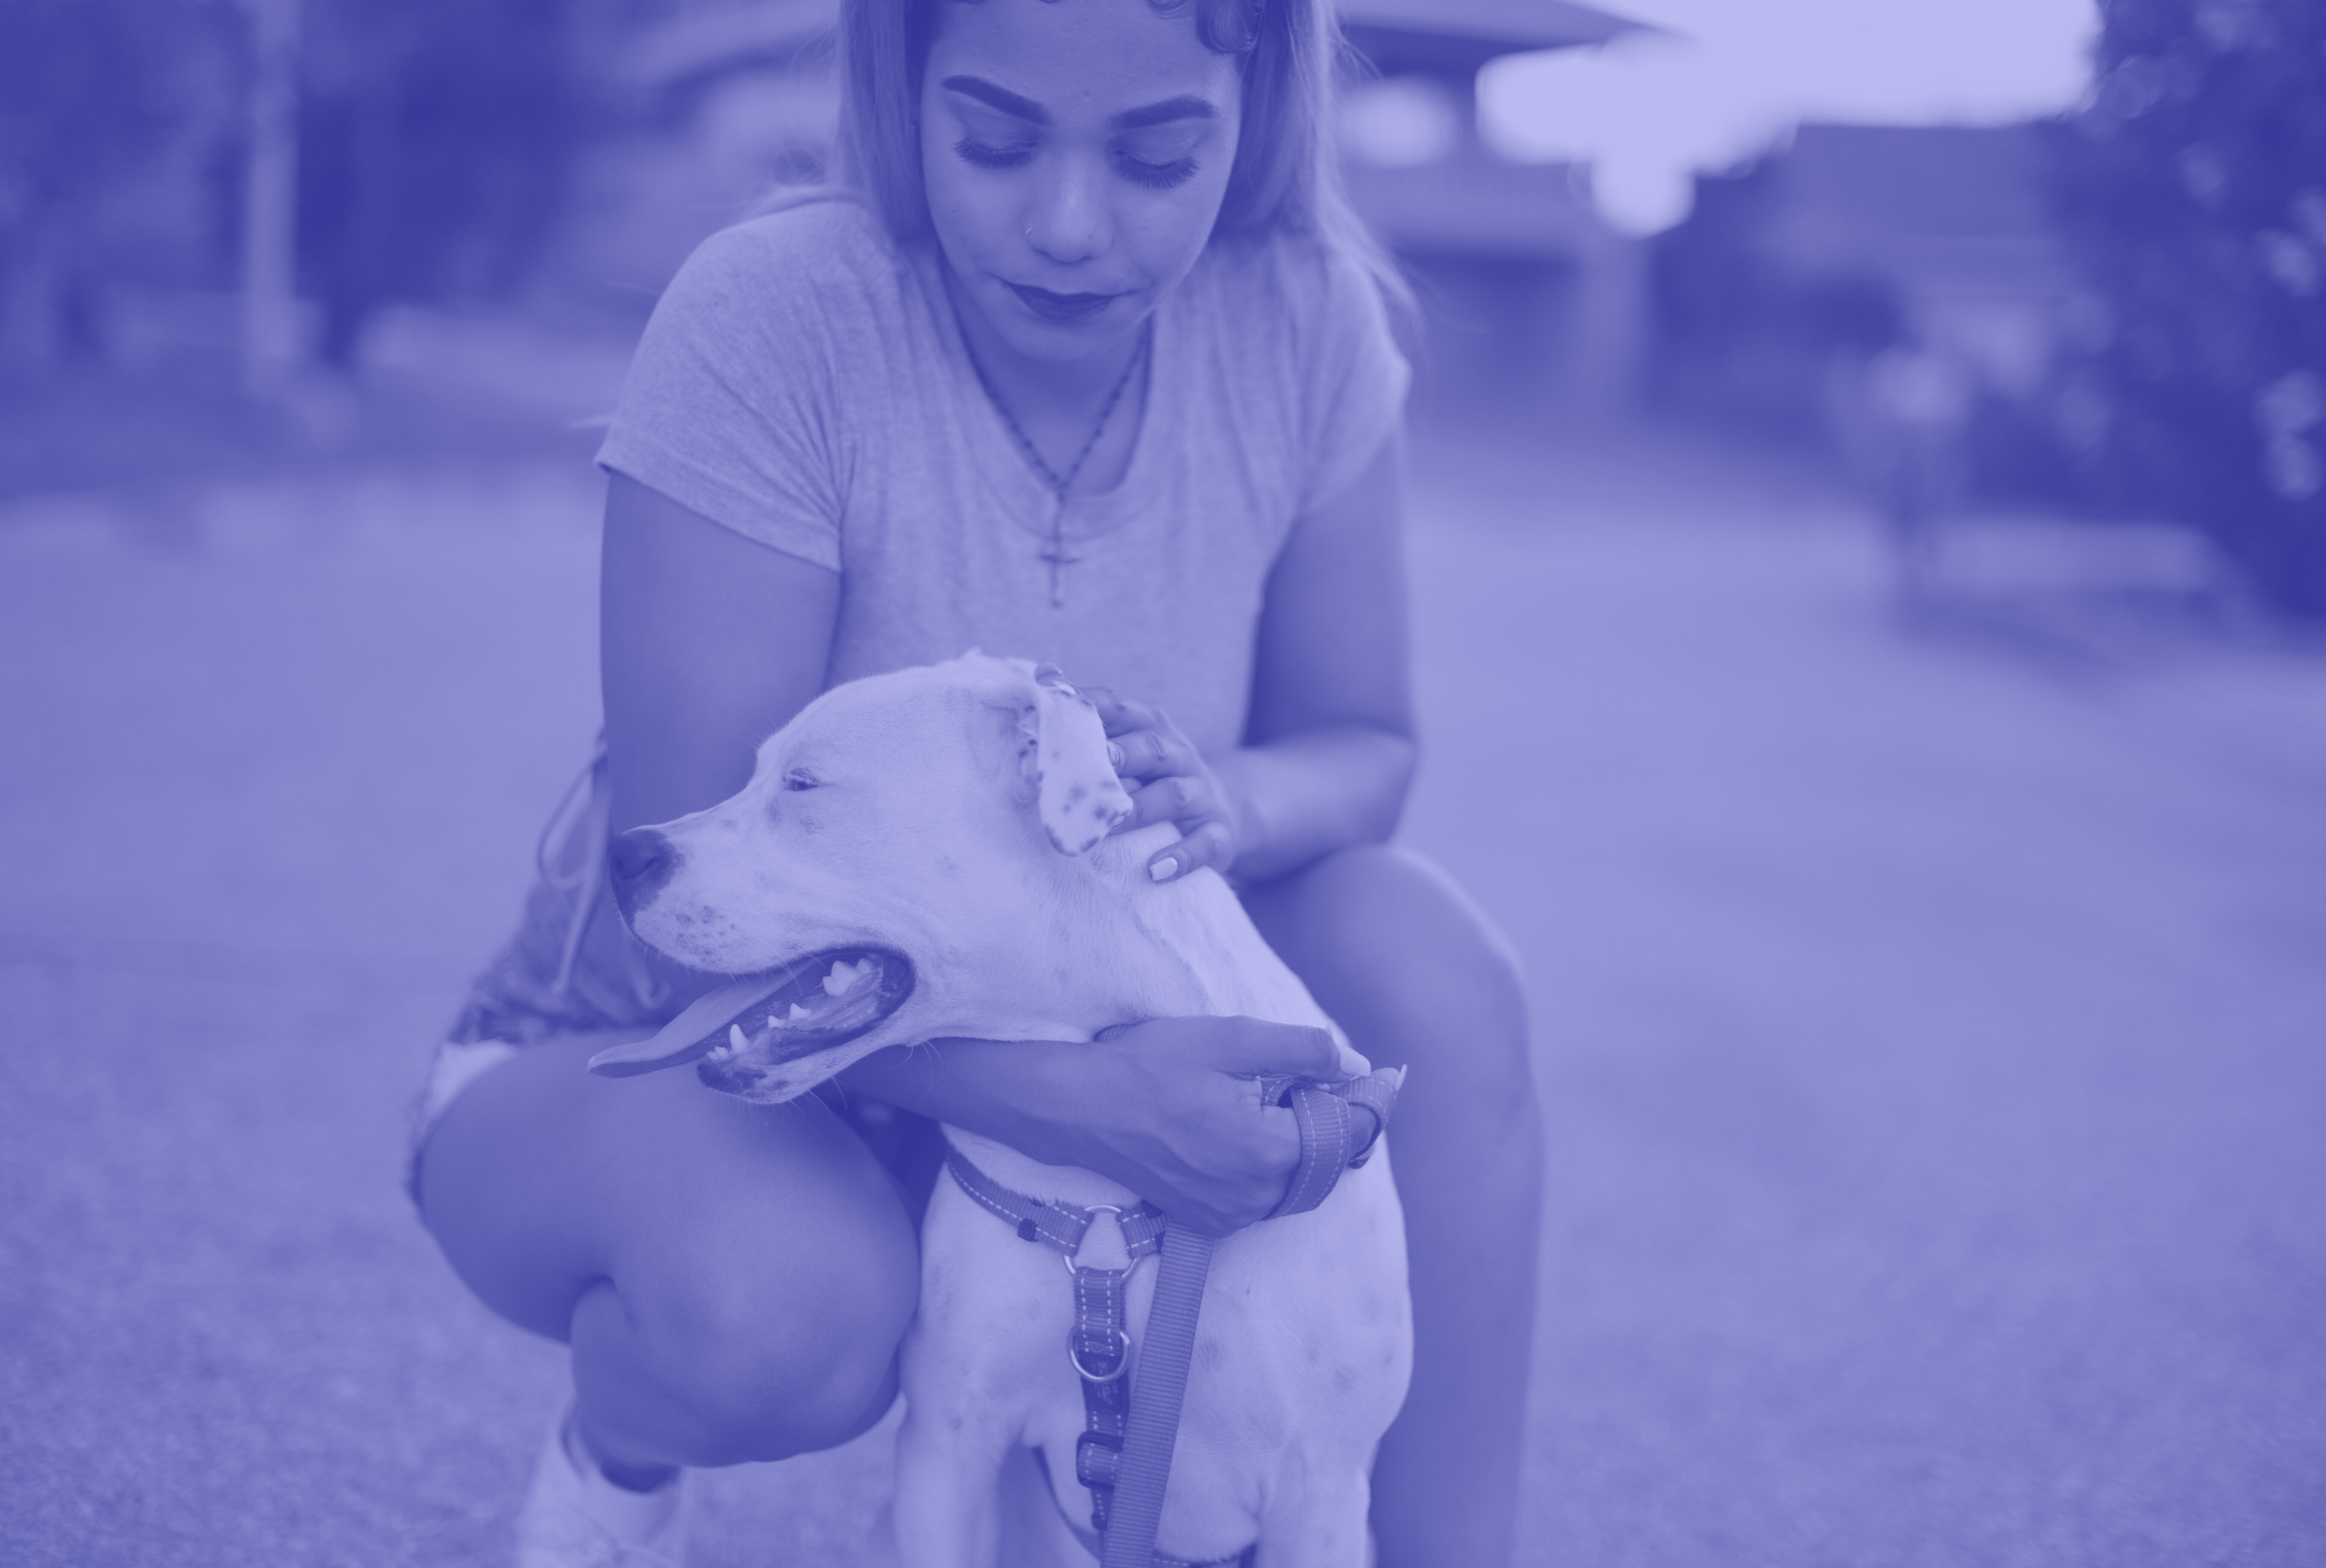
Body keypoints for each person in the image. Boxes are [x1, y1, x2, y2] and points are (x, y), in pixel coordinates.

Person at [412, 0, 1544, 1563]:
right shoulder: (775, 310)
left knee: (1430, 963)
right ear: (902, 81)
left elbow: (1364, 736)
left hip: (1071, 1016)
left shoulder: (1302, 316)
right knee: (782, 1308)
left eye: (1158, 156)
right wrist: (1098, 1111)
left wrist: (1224, 801)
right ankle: (620, 1449)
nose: (1069, 224)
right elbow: (686, 926)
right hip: (701, 1051)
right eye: (996, 141)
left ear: (1259, 105)